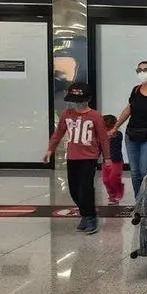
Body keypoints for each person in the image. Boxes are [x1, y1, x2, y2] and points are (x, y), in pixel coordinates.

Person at [43, 83, 110, 234]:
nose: (77, 105)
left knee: (85, 188)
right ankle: (85, 213)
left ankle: (90, 216)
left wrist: (107, 158)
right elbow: (58, 133)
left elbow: (103, 138)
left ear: (88, 100)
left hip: (89, 157)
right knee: (74, 190)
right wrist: (50, 150)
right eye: (74, 101)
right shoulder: (67, 114)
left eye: (80, 101)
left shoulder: (95, 116)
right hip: (73, 157)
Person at [109, 61, 147, 197]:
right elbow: (128, 110)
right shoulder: (136, 90)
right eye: (139, 70)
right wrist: (115, 127)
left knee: (145, 172)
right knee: (135, 173)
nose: (142, 72)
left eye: (145, 70)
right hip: (131, 136)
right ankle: (138, 202)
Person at [102, 114, 124, 204]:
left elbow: (114, 137)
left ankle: (119, 190)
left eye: (108, 127)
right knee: (106, 180)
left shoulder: (118, 134)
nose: (107, 130)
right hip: (106, 161)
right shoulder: (102, 135)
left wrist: (108, 135)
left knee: (113, 178)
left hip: (116, 161)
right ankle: (112, 195)